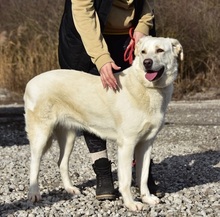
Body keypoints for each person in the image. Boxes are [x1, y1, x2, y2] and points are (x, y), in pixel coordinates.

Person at [58, 0, 158, 200]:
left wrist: (142, 28)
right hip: (84, 38)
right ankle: (103, 171)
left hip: (125, 38)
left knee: (137, 102)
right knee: (90, 105)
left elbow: (146, 6)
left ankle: (140, 168)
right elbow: (83, 11)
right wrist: (101, 57)